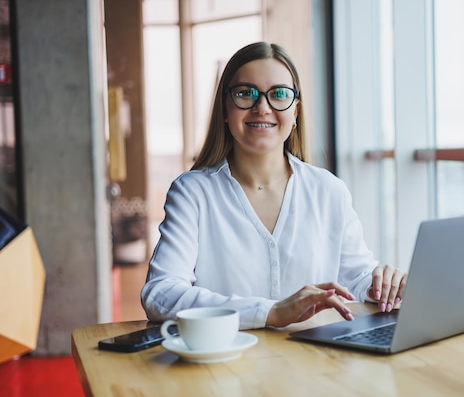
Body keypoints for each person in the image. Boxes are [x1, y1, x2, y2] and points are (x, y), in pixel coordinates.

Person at [141, 41, 407, 329]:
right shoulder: (192, 192)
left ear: (295, 112)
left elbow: (357, 276)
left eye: (279, 94)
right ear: (224, 110)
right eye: (245, 93)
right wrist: (270, 312)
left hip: (315, 362)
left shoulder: (329, 190)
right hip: (224, 364)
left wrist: (381, 285)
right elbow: (161, 293)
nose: (262, 107)